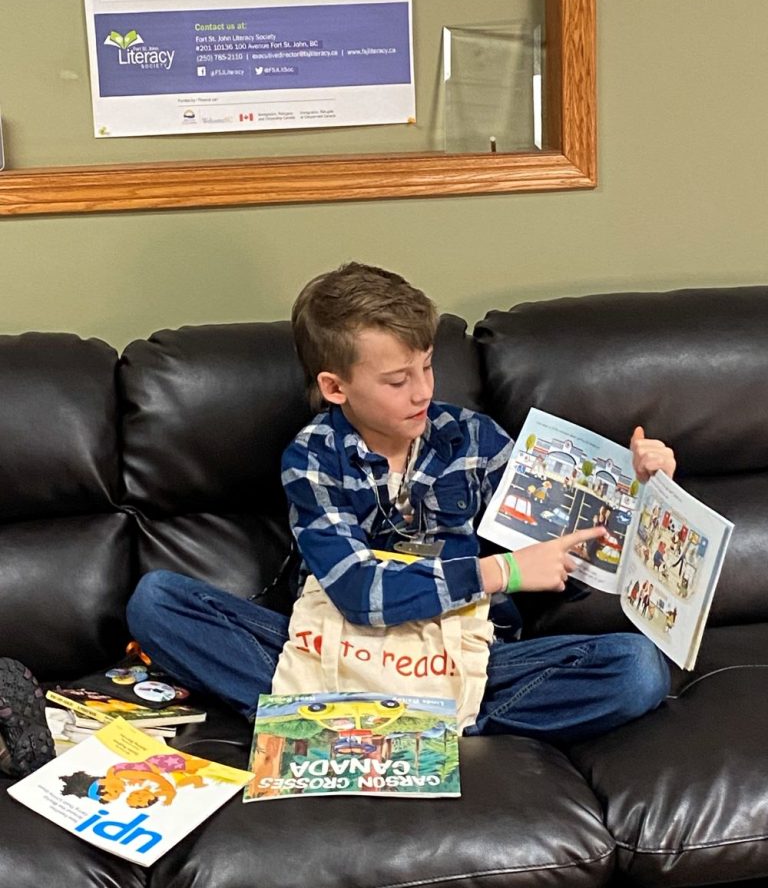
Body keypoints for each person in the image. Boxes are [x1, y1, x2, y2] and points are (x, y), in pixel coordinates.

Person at [126, 262, 676, 744]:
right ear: (336, 388)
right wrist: (498, 572)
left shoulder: (474, 440)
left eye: (428, 367)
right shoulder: (313, 457)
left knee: (636, 669)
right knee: (157, 602)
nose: (422, 392)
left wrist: (643, 496)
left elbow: (565, 570)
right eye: (397, 380)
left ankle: (334, 716)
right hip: (337, 645)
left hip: (466, 656)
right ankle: (425, 719)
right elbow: (358, 595)